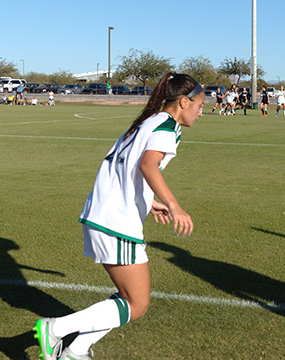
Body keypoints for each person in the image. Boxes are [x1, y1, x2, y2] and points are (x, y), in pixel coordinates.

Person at [33, 72, 203, 360]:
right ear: (184, 102)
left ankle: (75, 350)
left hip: (104, 216)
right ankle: (56, 329)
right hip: (115, 222)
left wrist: (148, 203)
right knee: (137, 304)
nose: (202, 112)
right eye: (200, 105)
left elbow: (127, 167)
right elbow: (149, 165)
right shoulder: (167, 127)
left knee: (130, 299)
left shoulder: (147, 122)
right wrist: (173, 204)